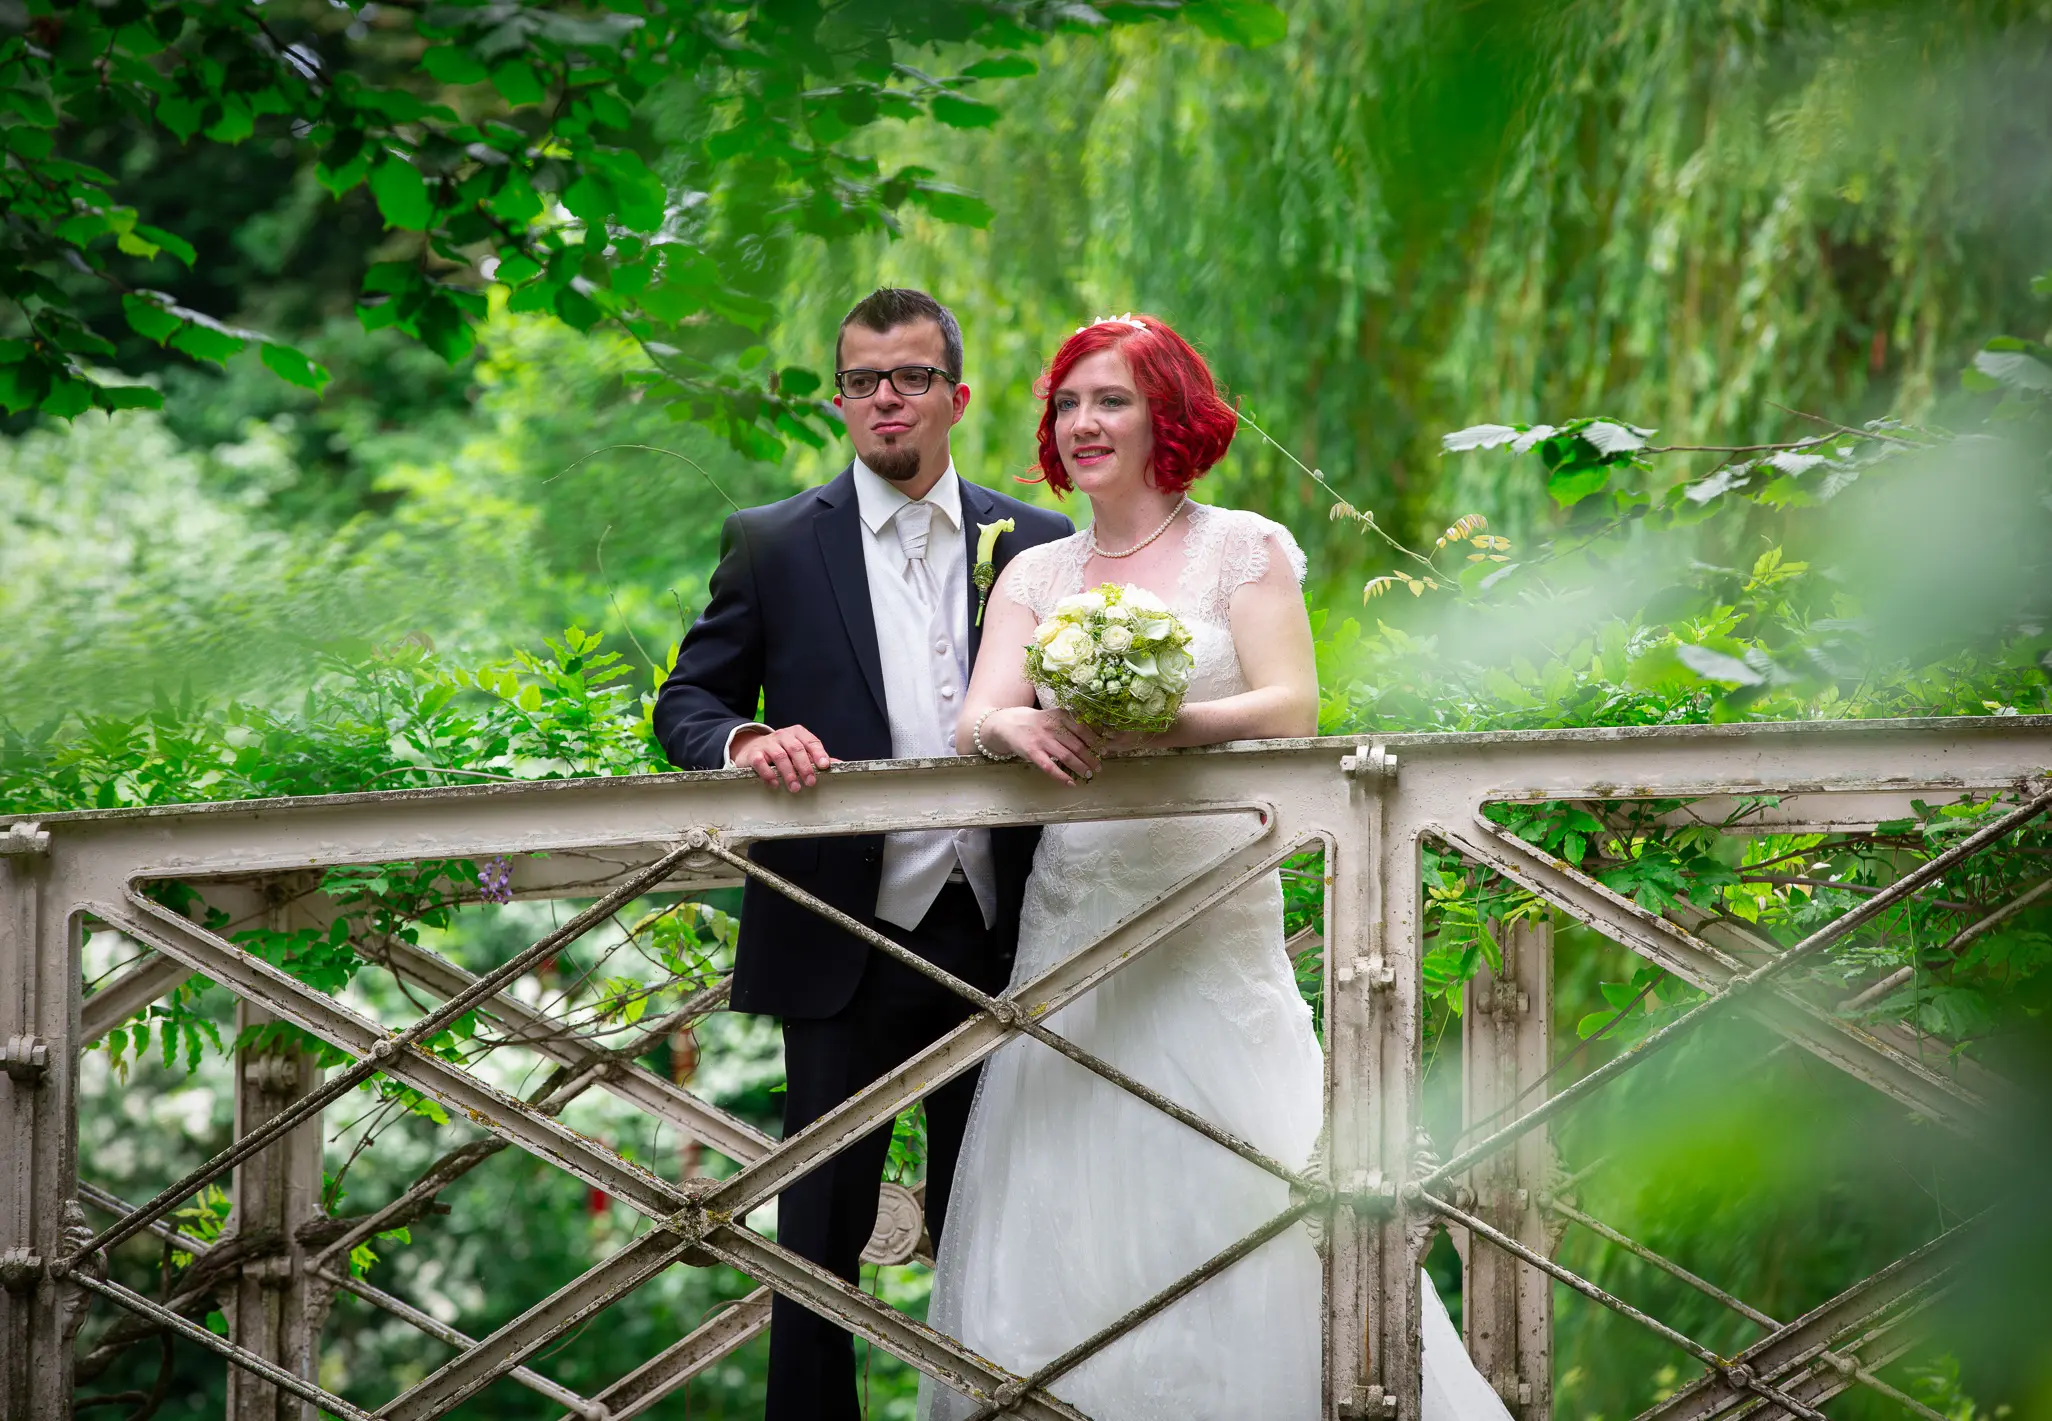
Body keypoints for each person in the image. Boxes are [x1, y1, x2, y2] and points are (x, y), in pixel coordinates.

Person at [922, 314, 1513, 1420]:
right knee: (1068, 1179)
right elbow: (976, 716)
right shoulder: (1036, 571)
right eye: (1069, 404)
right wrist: (1016, 734)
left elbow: (1294, 706)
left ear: (1168, 415)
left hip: (1208, 904)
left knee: (1246, 1166)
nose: (1084, 424)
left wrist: (1167, 722)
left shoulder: (1245, 544)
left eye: (1113, 401)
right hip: (1078, 909)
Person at [652, 287, 1072, 1421]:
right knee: (817, 1243)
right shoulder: (774, 542)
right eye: (862, 379)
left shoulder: (1036, 543)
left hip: (1012, 933)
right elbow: (688, 699)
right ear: (839, 398)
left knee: (1013, 1224)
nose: (885, 398)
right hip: (840, 933)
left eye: (912, 377)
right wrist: (747, 736)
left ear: (957, 396)